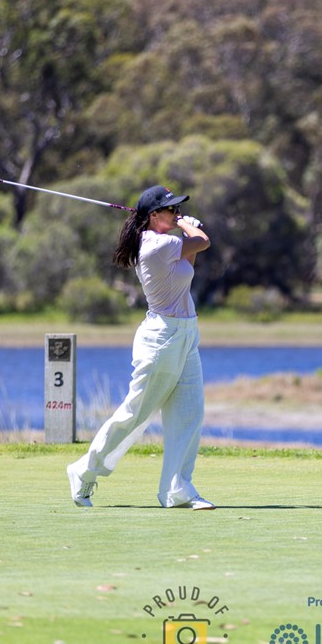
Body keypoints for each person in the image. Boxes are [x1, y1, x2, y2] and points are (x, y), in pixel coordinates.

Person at [66, 185, 214, 509]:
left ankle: (177, 489)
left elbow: (190, 260)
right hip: (162, 339)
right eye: (171, 210)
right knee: (135, 415)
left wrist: (184, 225)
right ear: (152, 216)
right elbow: (202, 242)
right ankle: (83, 471)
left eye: (177, 209)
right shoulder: (156, 245)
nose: (175, 213)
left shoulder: (167, 244)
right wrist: (189, 223)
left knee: (190, 413)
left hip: (186, 334)